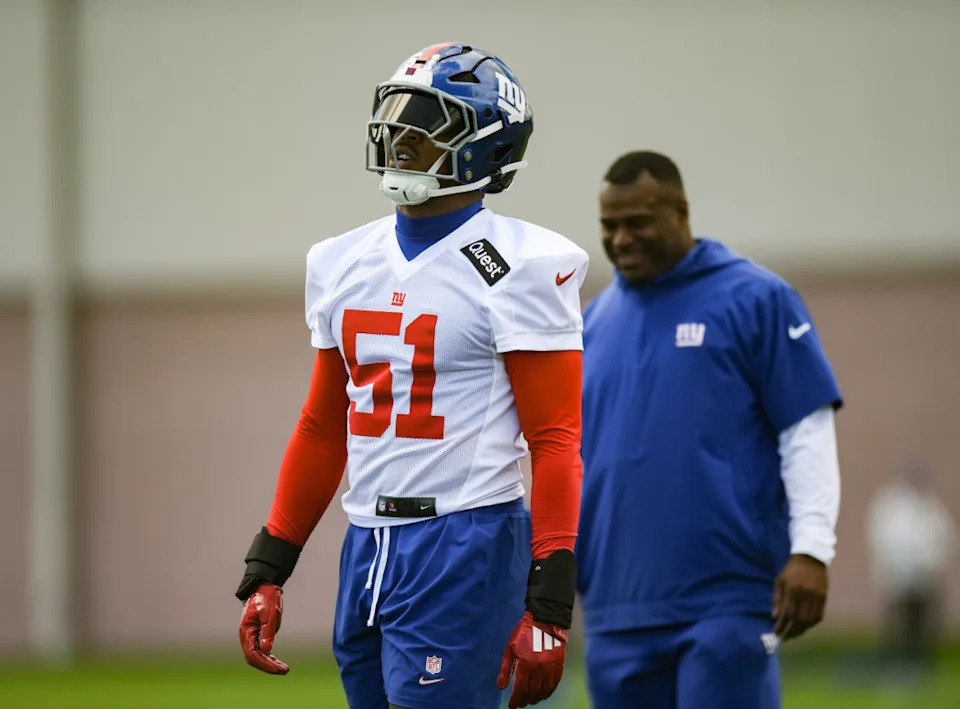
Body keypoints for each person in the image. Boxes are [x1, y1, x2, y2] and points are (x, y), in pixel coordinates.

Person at [234, 43, 589, 709]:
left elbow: (556, 440)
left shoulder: (521, 264)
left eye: (430, 119)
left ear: (486, 143)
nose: (402, 132)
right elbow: (322, 428)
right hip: (367, 543)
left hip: (467, 538)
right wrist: (269, 567)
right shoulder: (341, 260)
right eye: (398, 113)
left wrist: (549, 601)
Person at [576, 151, 843, 709]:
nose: (621, 239)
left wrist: (812, 550)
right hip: (616, 610)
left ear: (681, 211)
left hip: (726, 600)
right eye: (609, 226)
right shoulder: (590, 324)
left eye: (637, 222)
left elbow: (806, 431)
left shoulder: (757, 298)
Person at [867, 462, 958, 675]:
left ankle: (921, 664)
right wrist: (894, 566)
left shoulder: (930, 505)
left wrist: (933, 565)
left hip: (926, 578)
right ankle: (896, 664)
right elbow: (882, 538)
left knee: (924, 623)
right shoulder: (890, 506)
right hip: (898, 578)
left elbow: (945, 537)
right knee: (900, 623)